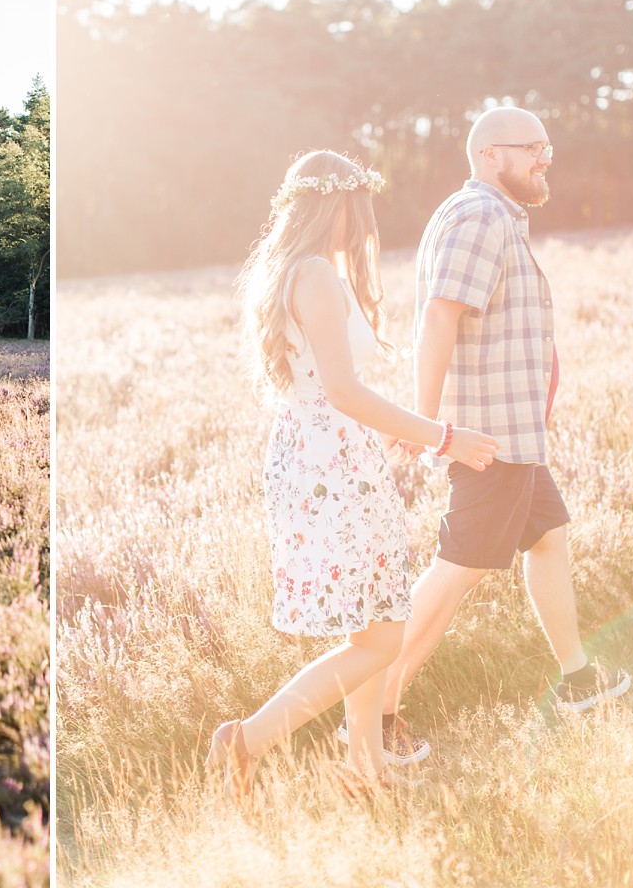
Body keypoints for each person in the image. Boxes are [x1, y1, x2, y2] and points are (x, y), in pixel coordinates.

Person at [338, 106, 631, 766]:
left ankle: (578, 679)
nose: (546, 158)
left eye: (548, 148)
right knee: (453, 578)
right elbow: (439, 319)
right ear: (490, 155)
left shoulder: (498, 217)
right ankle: (372, 718)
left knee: (548, 539)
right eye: (533, 148)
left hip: (512, 436)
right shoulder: (479, 215)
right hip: (487, 439)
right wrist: (428, 425)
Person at [206, 150, 498, 795]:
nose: (368, 222)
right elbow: (341, 390)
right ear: (340, 205)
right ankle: (245, 740)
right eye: (361, 207)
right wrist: (440, 436)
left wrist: (389, 434)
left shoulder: (294, 269)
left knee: (370, 622)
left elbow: (330, 390)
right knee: (380, 638)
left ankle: (364, 769)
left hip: (325, 455)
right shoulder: (313, 274)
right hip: (330, 464)